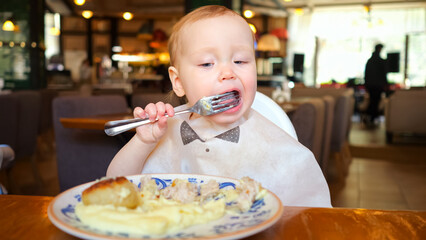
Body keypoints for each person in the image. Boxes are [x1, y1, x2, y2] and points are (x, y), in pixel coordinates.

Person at [107, 5, 331, 207]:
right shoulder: (163, 132)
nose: (227, 73)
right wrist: (143, 141)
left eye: (240, 61)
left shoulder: (277, 147)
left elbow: (310, 213)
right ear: (178, 82)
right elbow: (115, 185)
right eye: (207, 63)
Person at [364, 44, 388, 126]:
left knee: (372, 101)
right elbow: (384, 74)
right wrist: (385, 84)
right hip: (378, 85)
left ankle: (370, 116)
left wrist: (366, 84)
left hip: (371, 85)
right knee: (375, 101)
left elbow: (366, 74)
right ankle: (372, 117)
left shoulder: (370, 60)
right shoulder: (380, 61)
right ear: (380, 49)